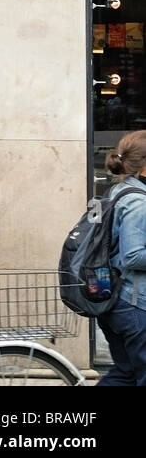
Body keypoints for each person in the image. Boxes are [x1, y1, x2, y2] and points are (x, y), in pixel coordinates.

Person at [97, 130, 146, 386]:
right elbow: (134, 256)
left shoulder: (119, 190)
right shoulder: (138, 202)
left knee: (125, 374)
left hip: (115, 301)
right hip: (134, 305)